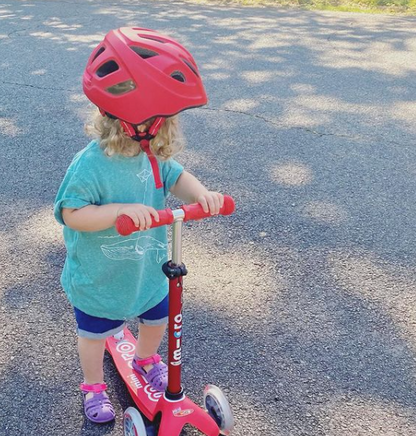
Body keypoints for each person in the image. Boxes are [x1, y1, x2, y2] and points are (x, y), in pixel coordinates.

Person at [54, 27, 223, 424]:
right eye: (161, 117)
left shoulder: (154, 150)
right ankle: (93, 385)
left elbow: (175, 175)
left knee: (157, 317)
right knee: (95, 334)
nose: (168, 125)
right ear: (128, 117)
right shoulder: (90, 164)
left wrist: (202, 195)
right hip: (101, 275)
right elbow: (70, 213)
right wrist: (117, 211)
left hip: (147, 268)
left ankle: (146, 359)